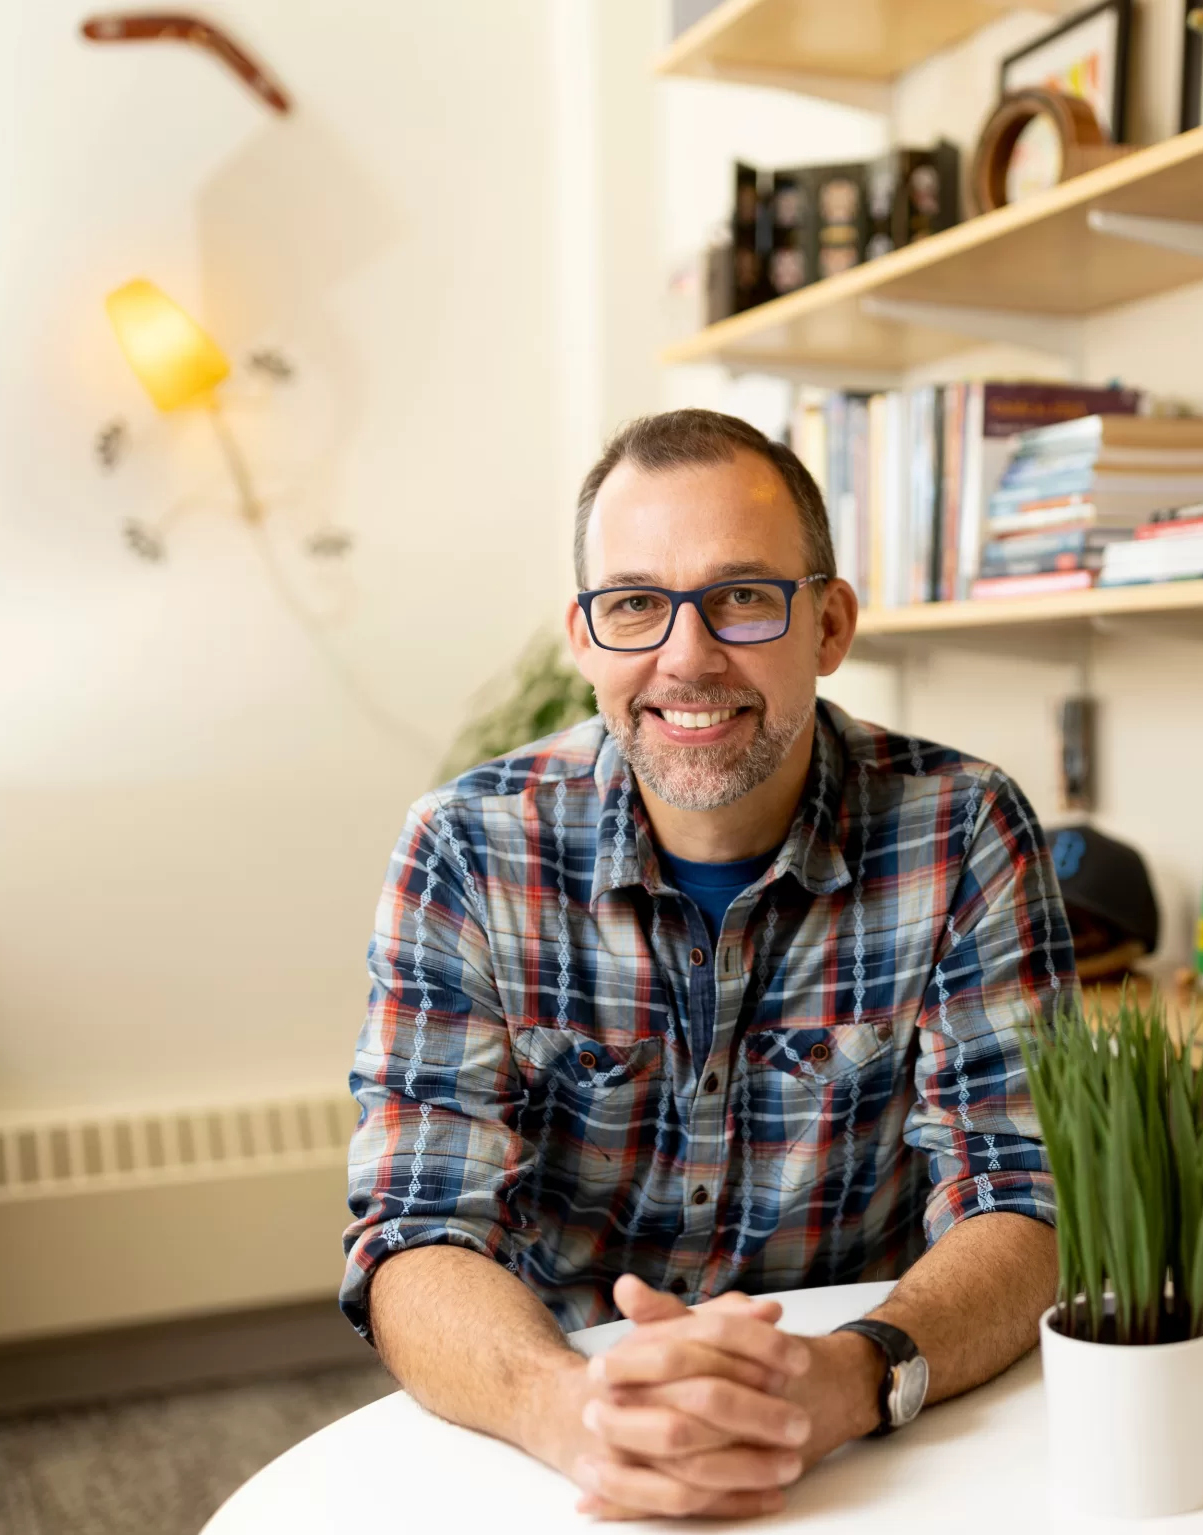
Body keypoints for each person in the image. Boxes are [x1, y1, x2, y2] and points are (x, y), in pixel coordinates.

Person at [341, 408, 1074, 1521]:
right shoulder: (465, 847)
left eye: (739, 596)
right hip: (556, 1431)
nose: (685, 657)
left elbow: (1024, 1198)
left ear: (827, 625)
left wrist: (847, 1374)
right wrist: (570, 1409)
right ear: (583, 637)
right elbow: (414, 1227)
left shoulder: (961, 827)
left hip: (873, 1432)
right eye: (635, 603)